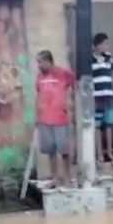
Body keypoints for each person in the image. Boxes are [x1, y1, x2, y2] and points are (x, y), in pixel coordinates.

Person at [35, 50, 76, 188]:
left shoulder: (63, 74)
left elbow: (75, 84)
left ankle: (67, 177)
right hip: (45, 119)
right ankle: (54, 177)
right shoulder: (40, 77)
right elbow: (38, 95)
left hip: (60, 118)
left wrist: (70, 104)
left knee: (64, 150)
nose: (38, 65)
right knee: (50, 150)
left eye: (40, 62)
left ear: (48, 61)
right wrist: (37, 115)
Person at [92, 32, 113, 167]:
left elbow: (111, 70)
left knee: (109, 125)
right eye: (105, 44)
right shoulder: (90, 60)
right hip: (97, 97)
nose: (107, 46)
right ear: (98, 45)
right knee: (97, 126)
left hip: (109, 96)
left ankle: (110, 152)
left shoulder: (109, 59)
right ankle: (99, 154)